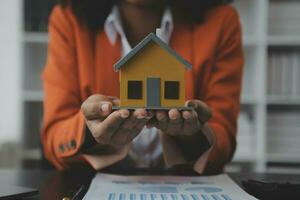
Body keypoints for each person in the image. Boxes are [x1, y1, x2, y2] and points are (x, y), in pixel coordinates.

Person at [42, 0, 244, 174]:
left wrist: (193, 136)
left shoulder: (221, 21)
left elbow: (223, 142)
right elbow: (55, 139)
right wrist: (89, 132)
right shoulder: (69, 19)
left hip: (185, 186)